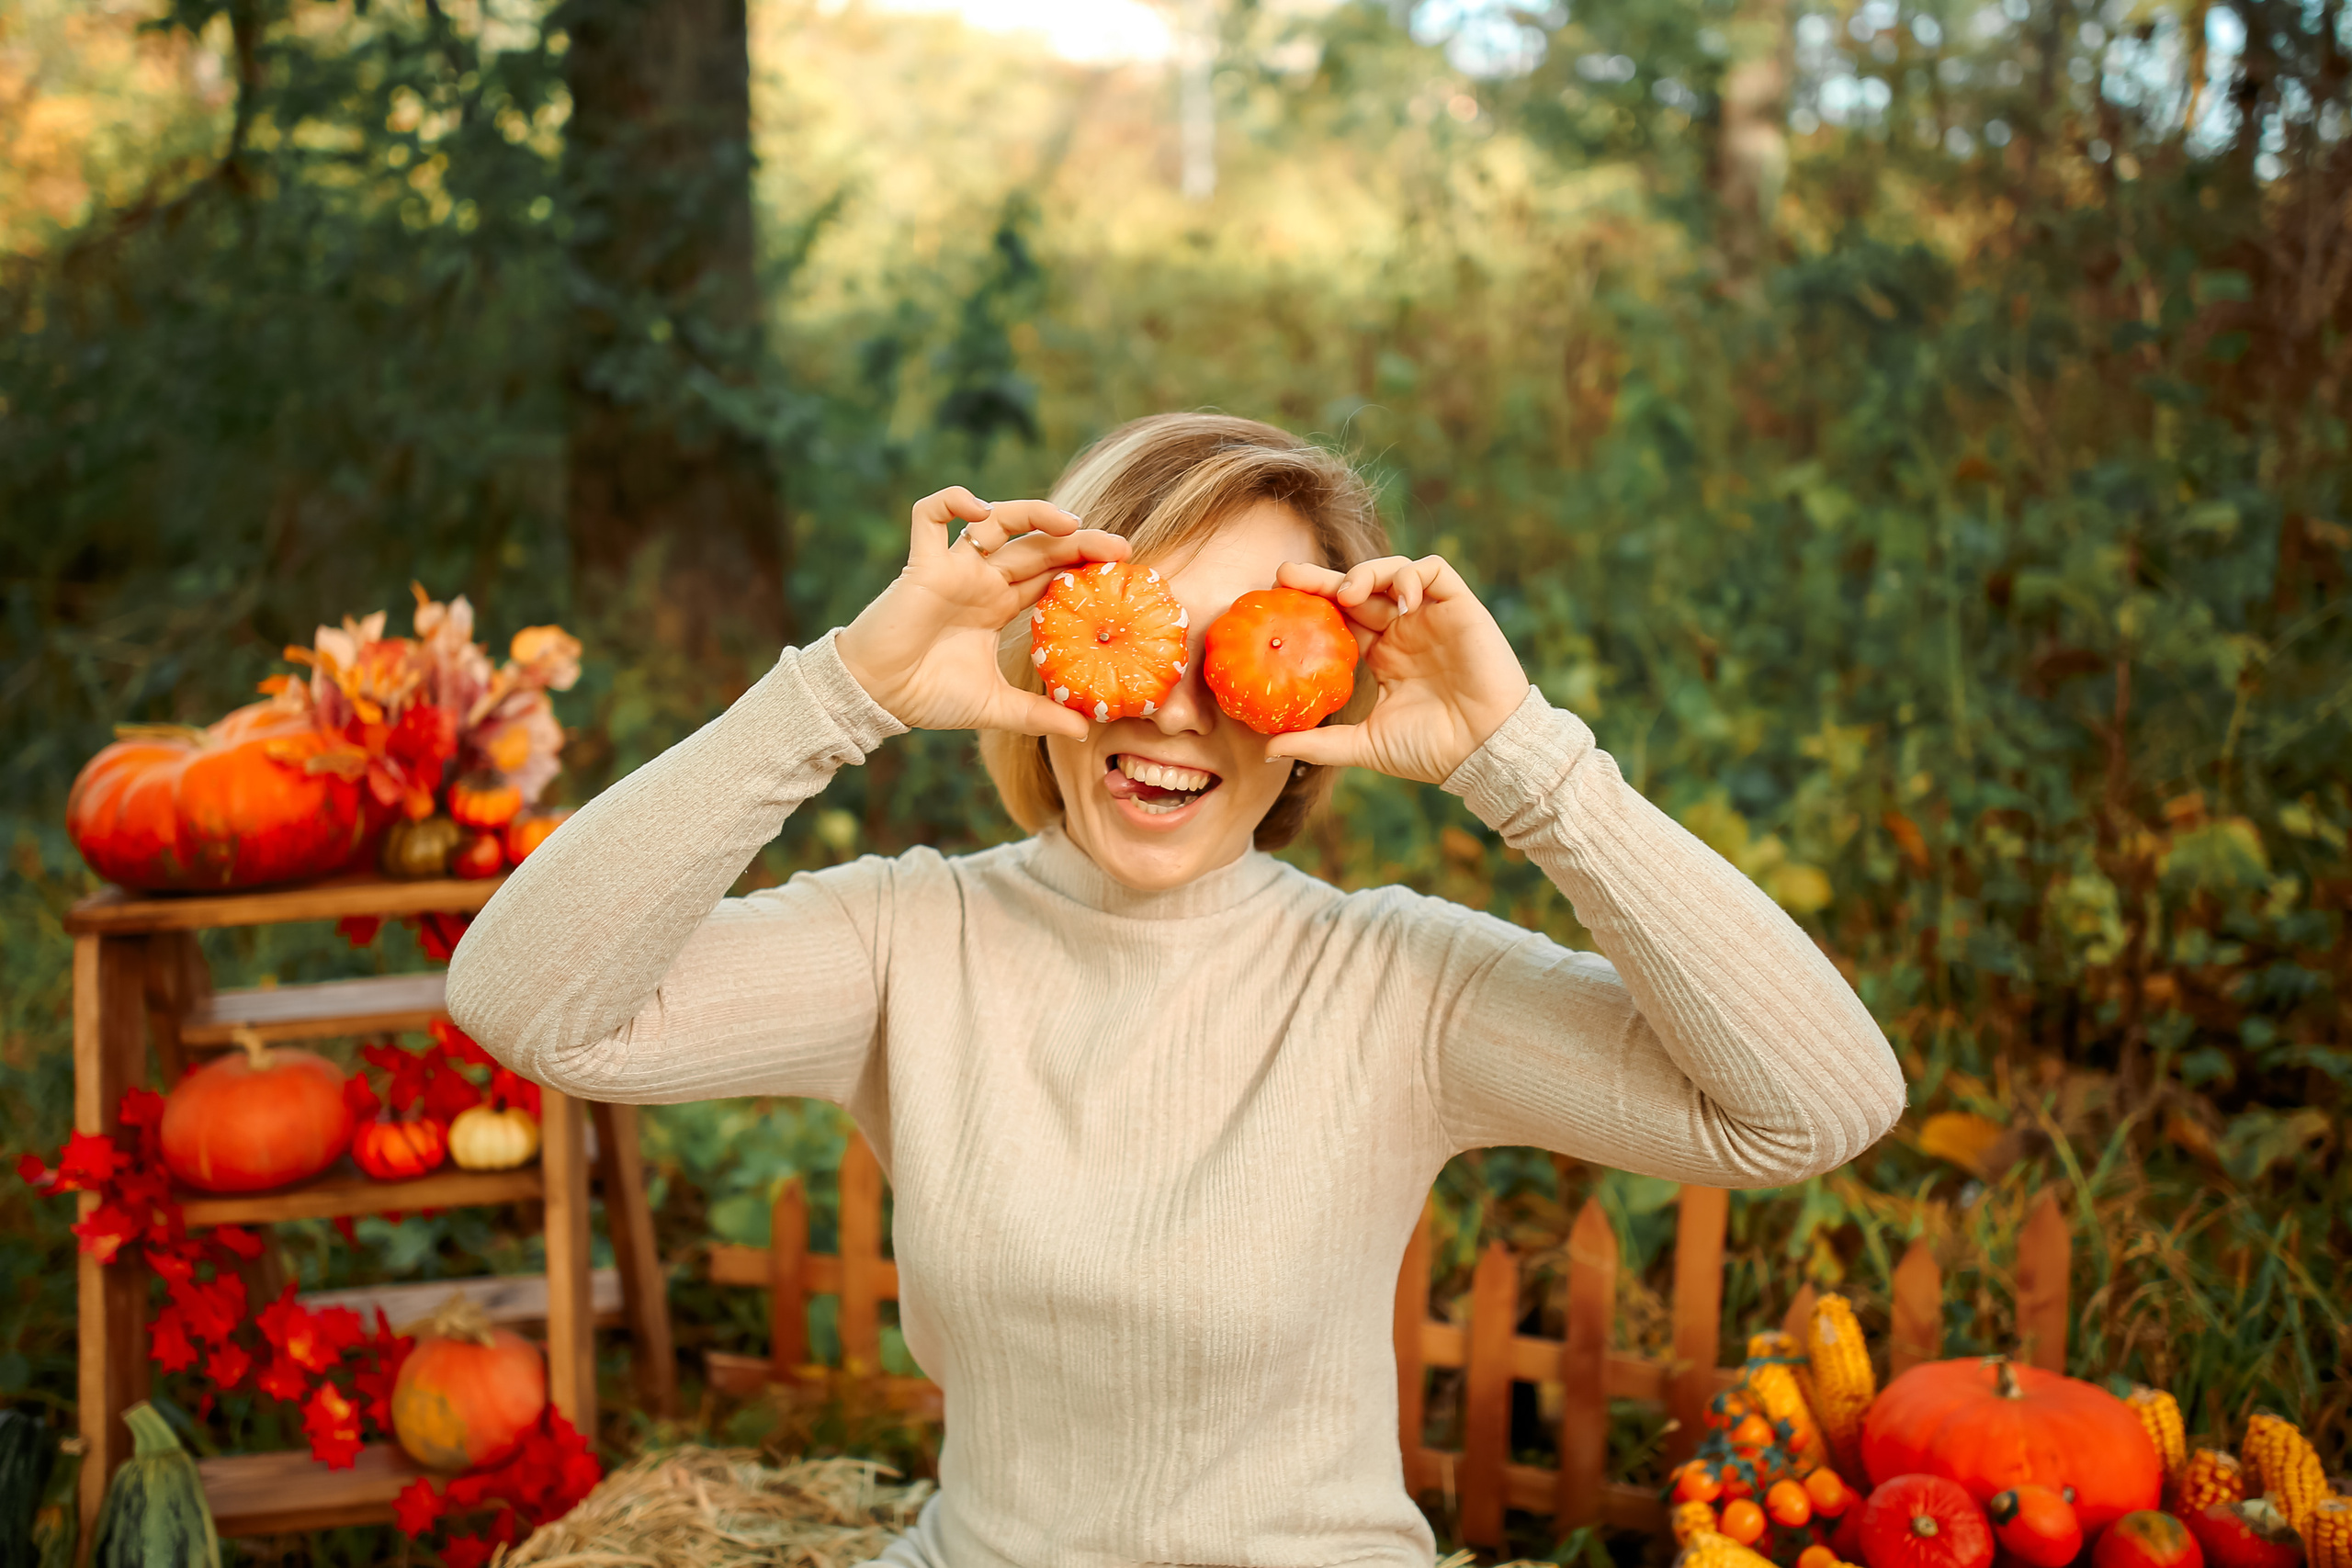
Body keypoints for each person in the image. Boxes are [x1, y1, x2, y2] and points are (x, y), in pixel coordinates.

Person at [447, 412, 1905, 1568]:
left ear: (1323, 694)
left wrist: (1522, 761)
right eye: (1135, 626)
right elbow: (532, 1006)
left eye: (1244, 649)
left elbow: (1817, 1109)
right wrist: (841, 693)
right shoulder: (912, 939)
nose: (1172, 702)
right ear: (1052, 638)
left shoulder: (1394, 981)